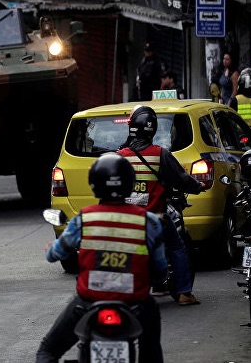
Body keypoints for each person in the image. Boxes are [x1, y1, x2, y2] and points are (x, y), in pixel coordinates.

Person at [36, 153, 166, 363]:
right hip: (136, 306)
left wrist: (50, 249)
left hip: (88, 303)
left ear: (94, 185)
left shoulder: (85, 219)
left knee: (48, 352)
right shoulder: (149, 223)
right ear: (130, 183)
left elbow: (56, 254)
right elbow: (160, 270)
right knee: (151, 351)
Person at [116, 105, 204, 306]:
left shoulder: (121, 156)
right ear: (152, 129)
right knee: (177, 248)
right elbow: (182, 179)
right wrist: (197, 186)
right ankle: (184, 293)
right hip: (156, 219)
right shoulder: (160, 154)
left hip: (128, 220)